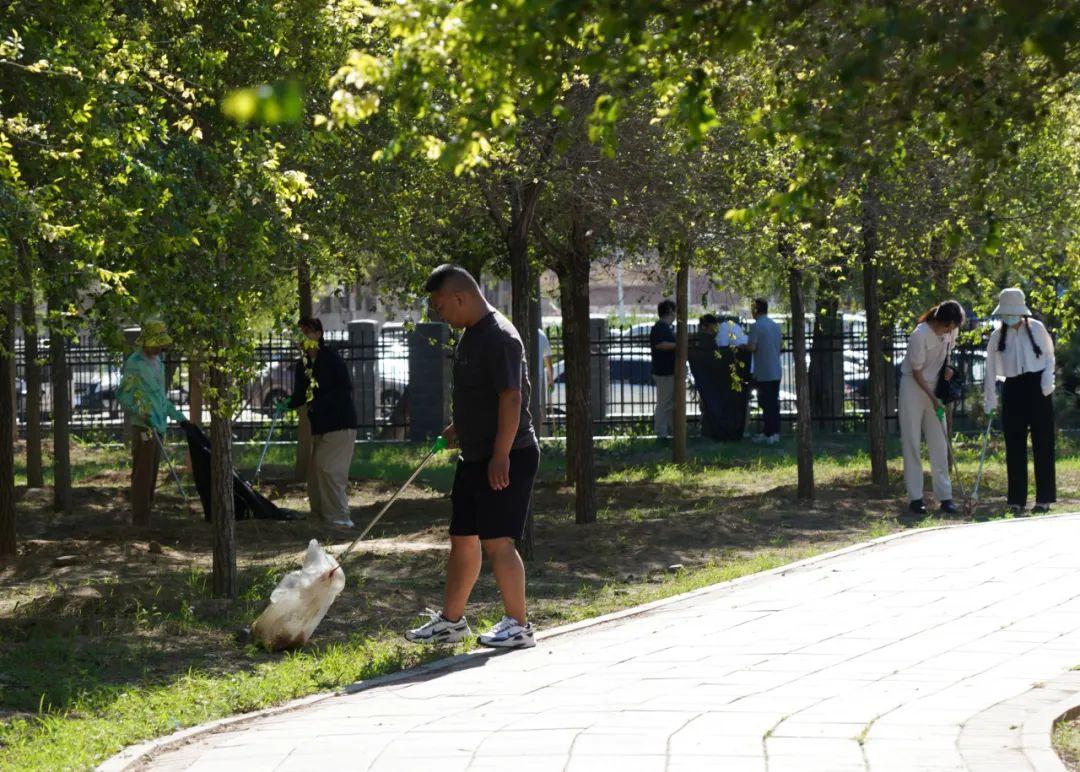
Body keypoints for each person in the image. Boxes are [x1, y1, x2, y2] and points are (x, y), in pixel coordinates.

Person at [406, 264, 539, 649]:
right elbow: (478, 396)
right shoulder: (470, 336)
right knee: (463, 537)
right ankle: (451, 622)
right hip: (474, 454)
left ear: (461, 297)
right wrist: (459, 426)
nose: (439, 314)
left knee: (499, 540)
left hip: (508, 454)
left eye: (440, 305)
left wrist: (500, 455)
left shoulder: (500, 337)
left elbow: (511, 398)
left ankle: (519, 625)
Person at [984, 288, 1056, 515]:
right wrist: (990, 399)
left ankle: (1044, 499)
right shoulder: (996, 337)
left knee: (1043, 443)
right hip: (1013, 388)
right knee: (1014, 445)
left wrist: (1046, 384)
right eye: (1006, 313)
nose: (1009, 317)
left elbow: (1049, 357)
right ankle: (1016, 499)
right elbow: (990, 370)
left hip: (1038, 388)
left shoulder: (1037, 328)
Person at [116, 320, 189, 526]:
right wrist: (143, 412)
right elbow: (124, 395)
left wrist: (179, 418)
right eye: (156, 343)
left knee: (153, 471)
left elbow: (160, 397)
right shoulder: (135, 363)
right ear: (146, 342)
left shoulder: (158, 362)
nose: (160, 348)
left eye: (161, 344)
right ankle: (139, 518)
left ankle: (147, 512)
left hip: (158, 425)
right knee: (143, 471)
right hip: (143, 426)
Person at [287, 316, 358, 527]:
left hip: (340, 424)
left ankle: (340, 519)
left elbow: (344, 390)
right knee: (316, 473)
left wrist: (318, 403)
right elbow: (301, 394)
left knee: (329, 469)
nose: (302, 338)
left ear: (318, 334)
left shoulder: (331, 359)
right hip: (320, 427)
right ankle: (321, 517)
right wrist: (288, 403)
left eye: (307, 332)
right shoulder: (303, 365)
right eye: (299, 334)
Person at [899, 300, 965, 516]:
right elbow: (917, 372)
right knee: (912, 443)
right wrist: (932, 398)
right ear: (943, 322)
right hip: (914, 388)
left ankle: (945, 497)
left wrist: (947, 372)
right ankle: (915, 498)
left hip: (935, 388)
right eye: (951, 327)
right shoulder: (919, 335)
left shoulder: (950, 332)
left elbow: (946, 357)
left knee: (940, 442)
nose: (952, 331)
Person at [743, 299, 782, 444]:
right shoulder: (775, 326)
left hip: (763, 371)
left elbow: (752, 347)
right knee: (772, 403)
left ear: (756, 310)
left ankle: (770, 433)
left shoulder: (756, 326)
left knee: (766, 403)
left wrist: (743, 346)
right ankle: (772, 432)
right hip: (776, 370)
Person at [689, 314, 724, 440]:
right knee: (711, 406)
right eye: (714, 325)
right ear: (707, 326)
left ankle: (706, 432)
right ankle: (710, 432)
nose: (716, 328)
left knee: (706, 405)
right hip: (711, 378)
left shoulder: (697, 339)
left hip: (702, 378)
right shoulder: (711, 341)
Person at [650, 299, 677, 439]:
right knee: (664, 404)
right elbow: (660, 345)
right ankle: (661, 434)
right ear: (671, 311)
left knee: (670, 404)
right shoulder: (660, 327)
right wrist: (678, 345)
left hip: (668, 372)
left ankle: (675, 432)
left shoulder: (665, 328)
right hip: (664, 372)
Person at [535, 327, 554, 436]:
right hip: (537, 375)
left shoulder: (517, 328)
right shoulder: (541, 335)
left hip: (520, 373)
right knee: (536, 407)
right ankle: (536, 436)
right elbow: (549, 364)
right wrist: (551, 380)